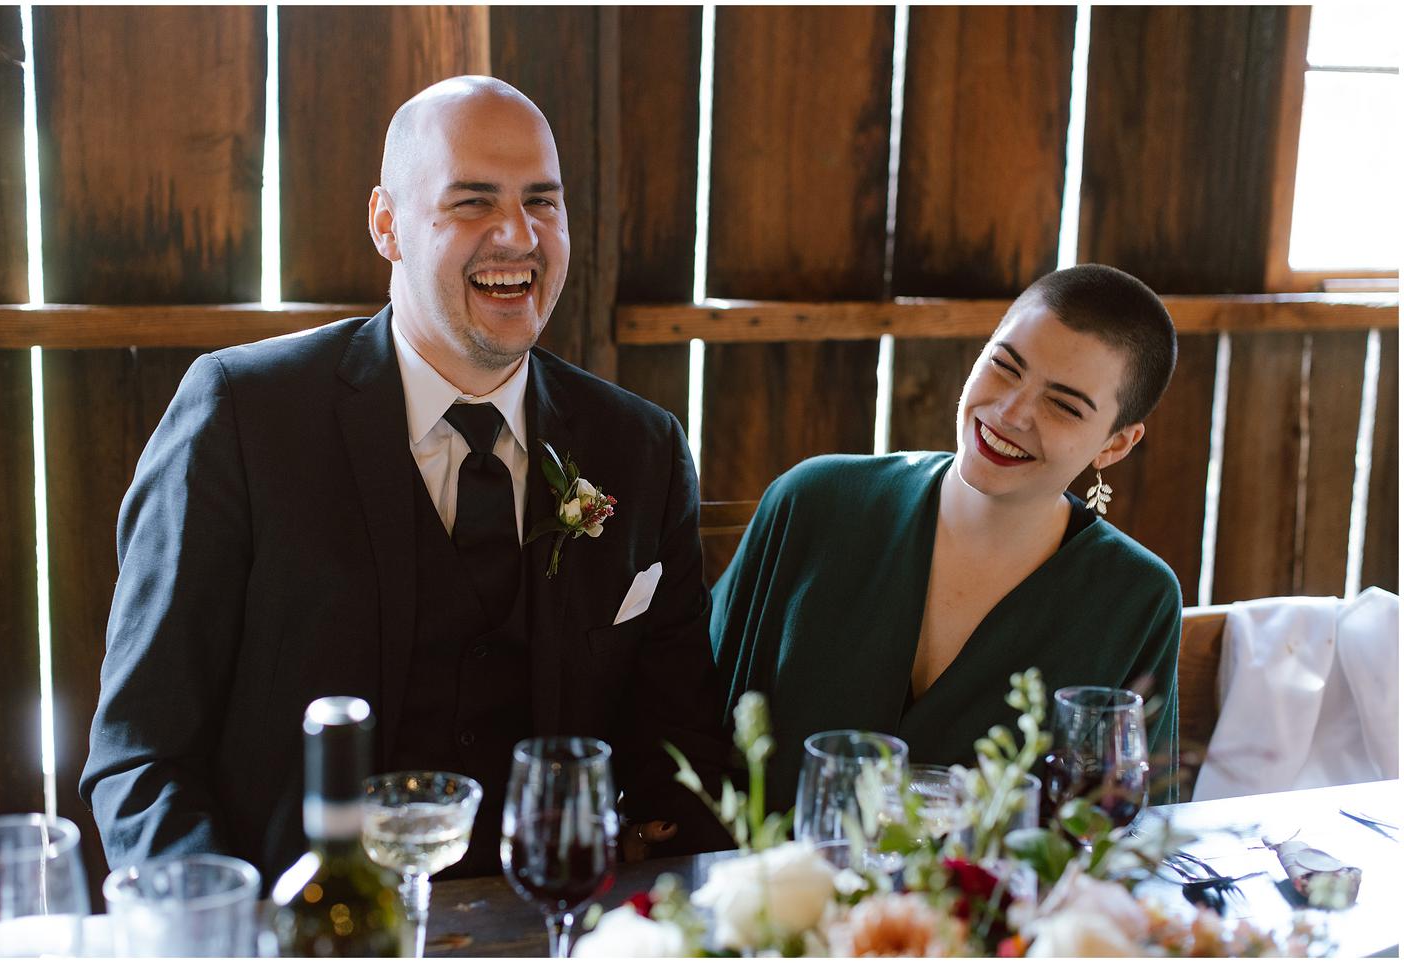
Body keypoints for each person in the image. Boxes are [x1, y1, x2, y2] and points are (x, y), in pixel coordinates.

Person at [82, 76, 729, 883]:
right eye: (471, 202)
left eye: (543, 201)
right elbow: (142, 759)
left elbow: (682, 762)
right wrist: (222, 932)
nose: (518, 235)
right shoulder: (241, 419)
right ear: (387, 225)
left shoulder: (641, 449)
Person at [710, 264, 1183, 814]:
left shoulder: (1137, 598)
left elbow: (1120, 829)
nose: (1010, 413)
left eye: (1063, 404)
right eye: (1005, 367)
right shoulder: (813, 502)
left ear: (1116, 445)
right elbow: (691, 727)